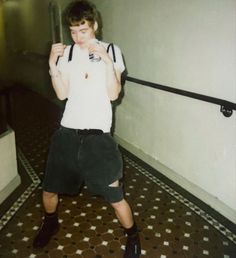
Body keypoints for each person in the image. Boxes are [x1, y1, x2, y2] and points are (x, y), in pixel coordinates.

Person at [32, 1, 141, 257]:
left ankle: (133, 236)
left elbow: (114, 95)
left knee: (115, 195)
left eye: (83, 30)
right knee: (49, 189)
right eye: (73, 31)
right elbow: (62, 93)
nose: (78, 37)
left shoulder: (112, 50)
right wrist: (52, 64)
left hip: (98, 138)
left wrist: (106, 63)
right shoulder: (67, 54)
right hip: (67, 134)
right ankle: (50, 223)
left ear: (94, 25)